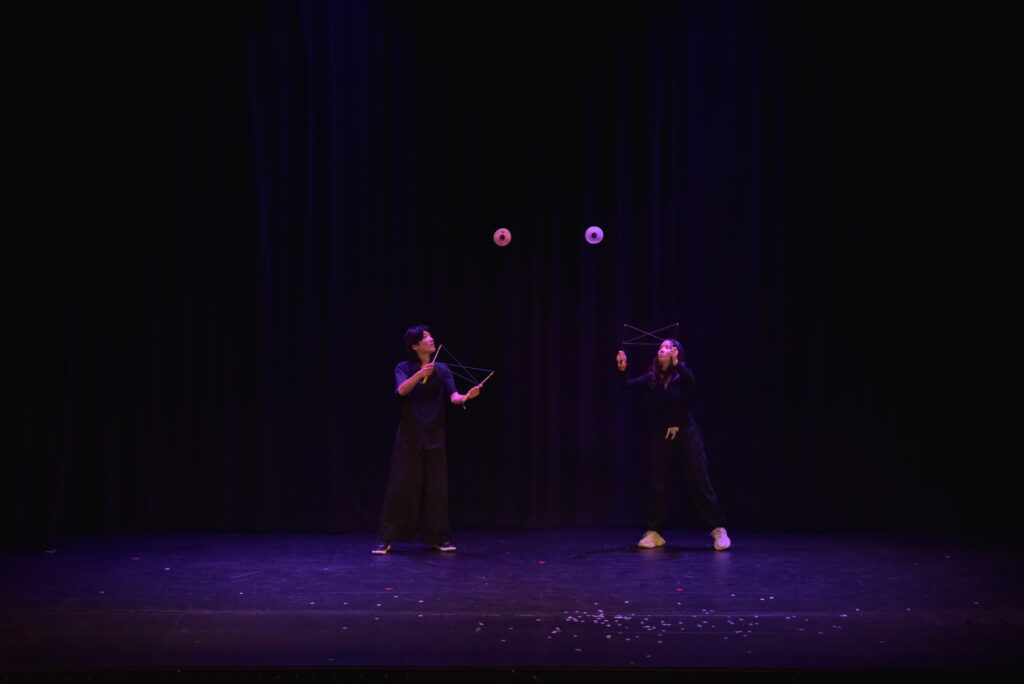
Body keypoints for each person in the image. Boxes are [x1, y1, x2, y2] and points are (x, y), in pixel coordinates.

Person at [372, 325, 481, 555]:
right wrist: (420, 374)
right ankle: (386, 538)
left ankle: (439, 538)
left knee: (436, 489)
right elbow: (402, 390)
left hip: (434, 435)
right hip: (409, 435)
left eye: (430, 336)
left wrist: (465, 397)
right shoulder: (404, 367)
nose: (431, 339)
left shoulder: (443, 369)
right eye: (425, 337)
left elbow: (454, 396)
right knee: (400, 487)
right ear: (415, 346)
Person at [616, 339, 731, 551]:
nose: (662, 350)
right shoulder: (652, 377)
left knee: (699, 481)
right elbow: (627, 386)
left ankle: (718, 528)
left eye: (668, 347)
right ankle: (655, 532)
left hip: (686, 432)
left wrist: (678, 363)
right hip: (662, 434)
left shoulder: (682, 376)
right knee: (660, 484)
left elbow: (691, 381)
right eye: (661, 347)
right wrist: (622, 370)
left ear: (676, 353)